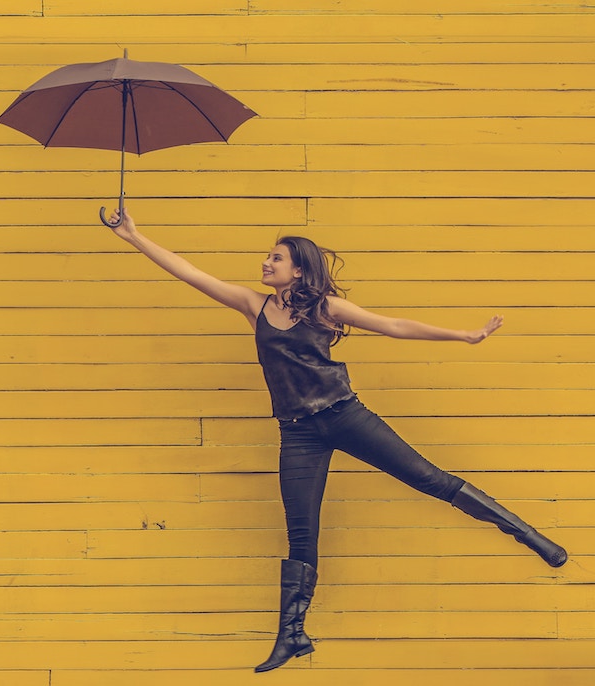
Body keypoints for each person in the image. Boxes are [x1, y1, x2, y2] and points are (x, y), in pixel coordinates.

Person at [104, 209, 568, 673]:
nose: (266, 263)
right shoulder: (253, 305)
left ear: (298, 269)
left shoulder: (325, 307)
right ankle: (292, 635)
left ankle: (530, 536)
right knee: (301, 534)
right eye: (268, 257)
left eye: (276, 258)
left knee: (429, 479)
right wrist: (133, 236)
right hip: (298, 432)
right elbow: (189, 272)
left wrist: (464, 335)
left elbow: (394, 325)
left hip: (345, 415)